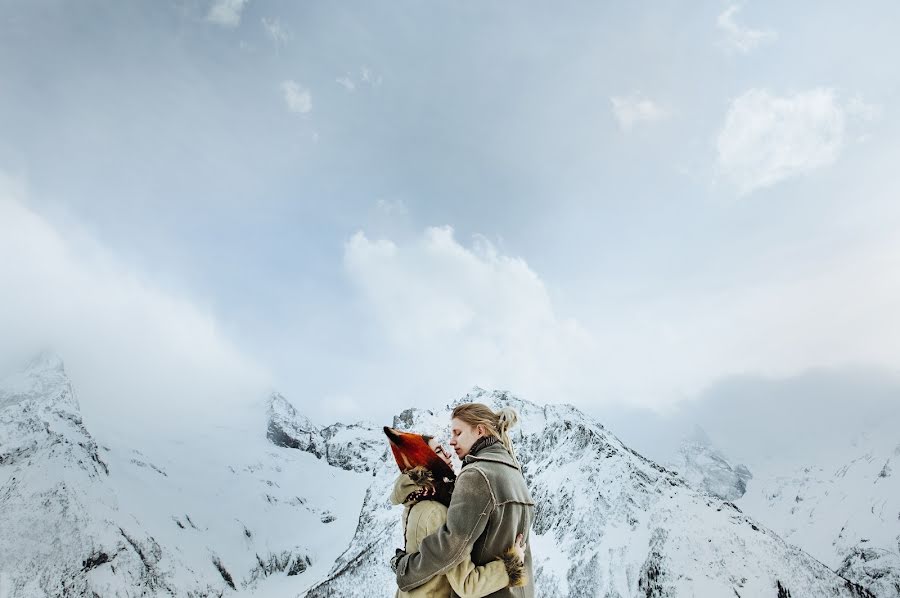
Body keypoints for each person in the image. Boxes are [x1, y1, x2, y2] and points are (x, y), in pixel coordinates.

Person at [392, 404, 535, 598]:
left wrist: (405, 569)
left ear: (480, 430)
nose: (451, 442)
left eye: (457, 433)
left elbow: (451, 546)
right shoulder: (514, 472)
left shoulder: (476, 475)